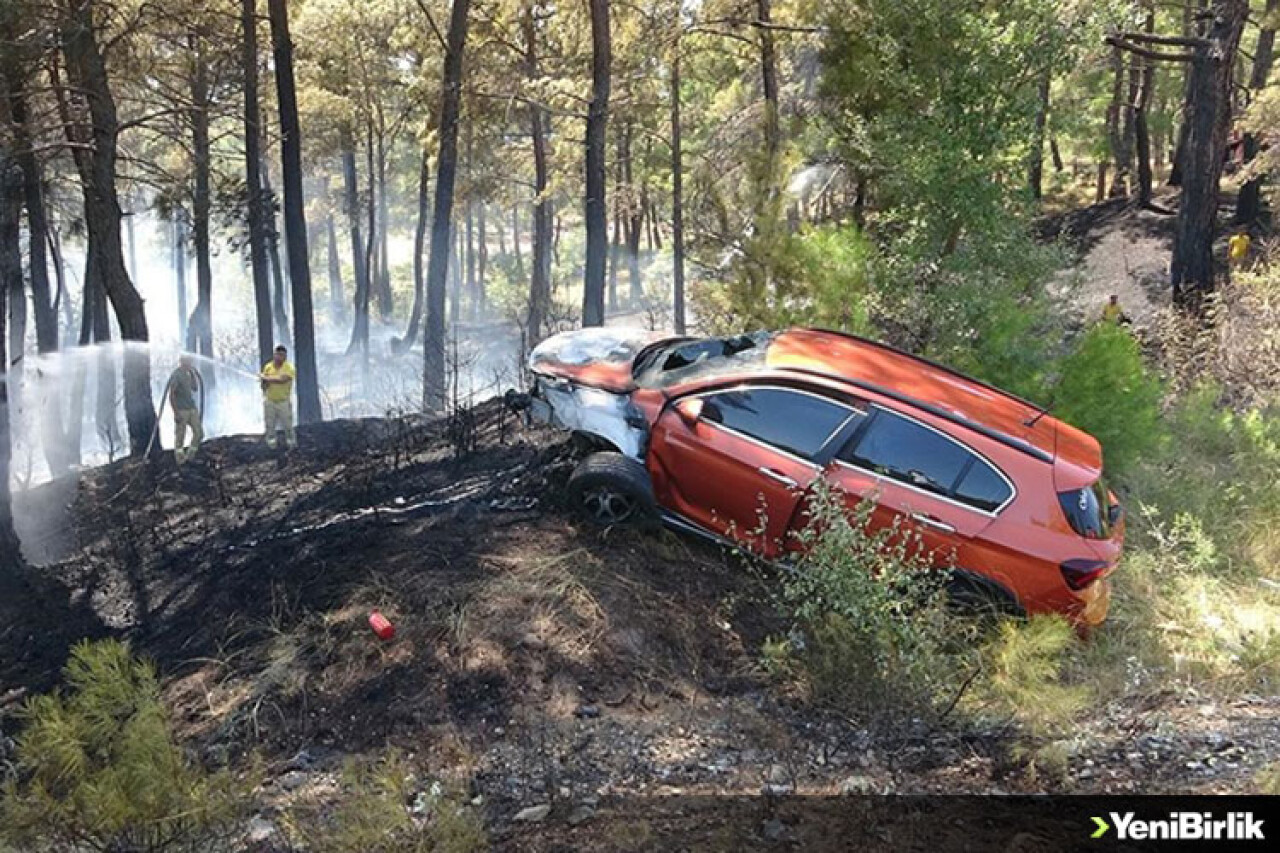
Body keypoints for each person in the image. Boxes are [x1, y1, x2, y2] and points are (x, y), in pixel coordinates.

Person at [260, 345, 297, 450]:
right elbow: (264, 385)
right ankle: (271, 446)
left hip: (283, 402)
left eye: (283, 355)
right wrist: (263, 382)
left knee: (287, 425)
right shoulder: (268, 367)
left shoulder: (289, 367)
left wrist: (266, 378)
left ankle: (291, 444)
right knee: (269, 425)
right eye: (278, 354)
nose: (280, 357)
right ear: (274, 355)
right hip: (270, 401)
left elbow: (283, 379)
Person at [168, 354, 203, 463]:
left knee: (199, 433)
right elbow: (171, 395)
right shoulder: (176, 375)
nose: (190, 364)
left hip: (191, 407)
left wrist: (193, 376)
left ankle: (190, 456)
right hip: (182, 409)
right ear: (182, 362)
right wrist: (176, 412)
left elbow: (195, 388)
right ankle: (180, 460)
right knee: (180, 436)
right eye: (188, 361)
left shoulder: (189, 374)